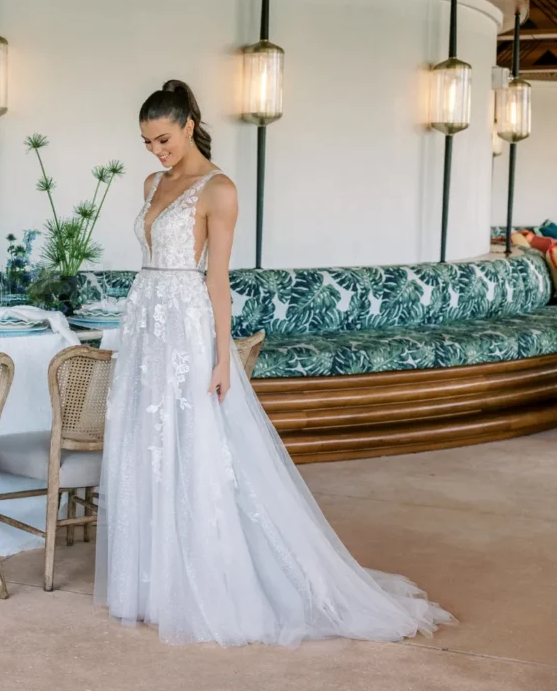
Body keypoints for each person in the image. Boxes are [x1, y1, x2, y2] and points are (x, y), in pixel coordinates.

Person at [93, 79, 453, 646]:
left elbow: (217, 281)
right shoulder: (152, 182)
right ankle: (151, 584)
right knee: (150, 444)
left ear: (189, 124)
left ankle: (204, 582)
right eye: (147, 142)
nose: (156, 151)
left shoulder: (220, 190)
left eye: (163, 139)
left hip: (186, 323)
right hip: (145, 320)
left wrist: (220, 357)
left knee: (193, 446)